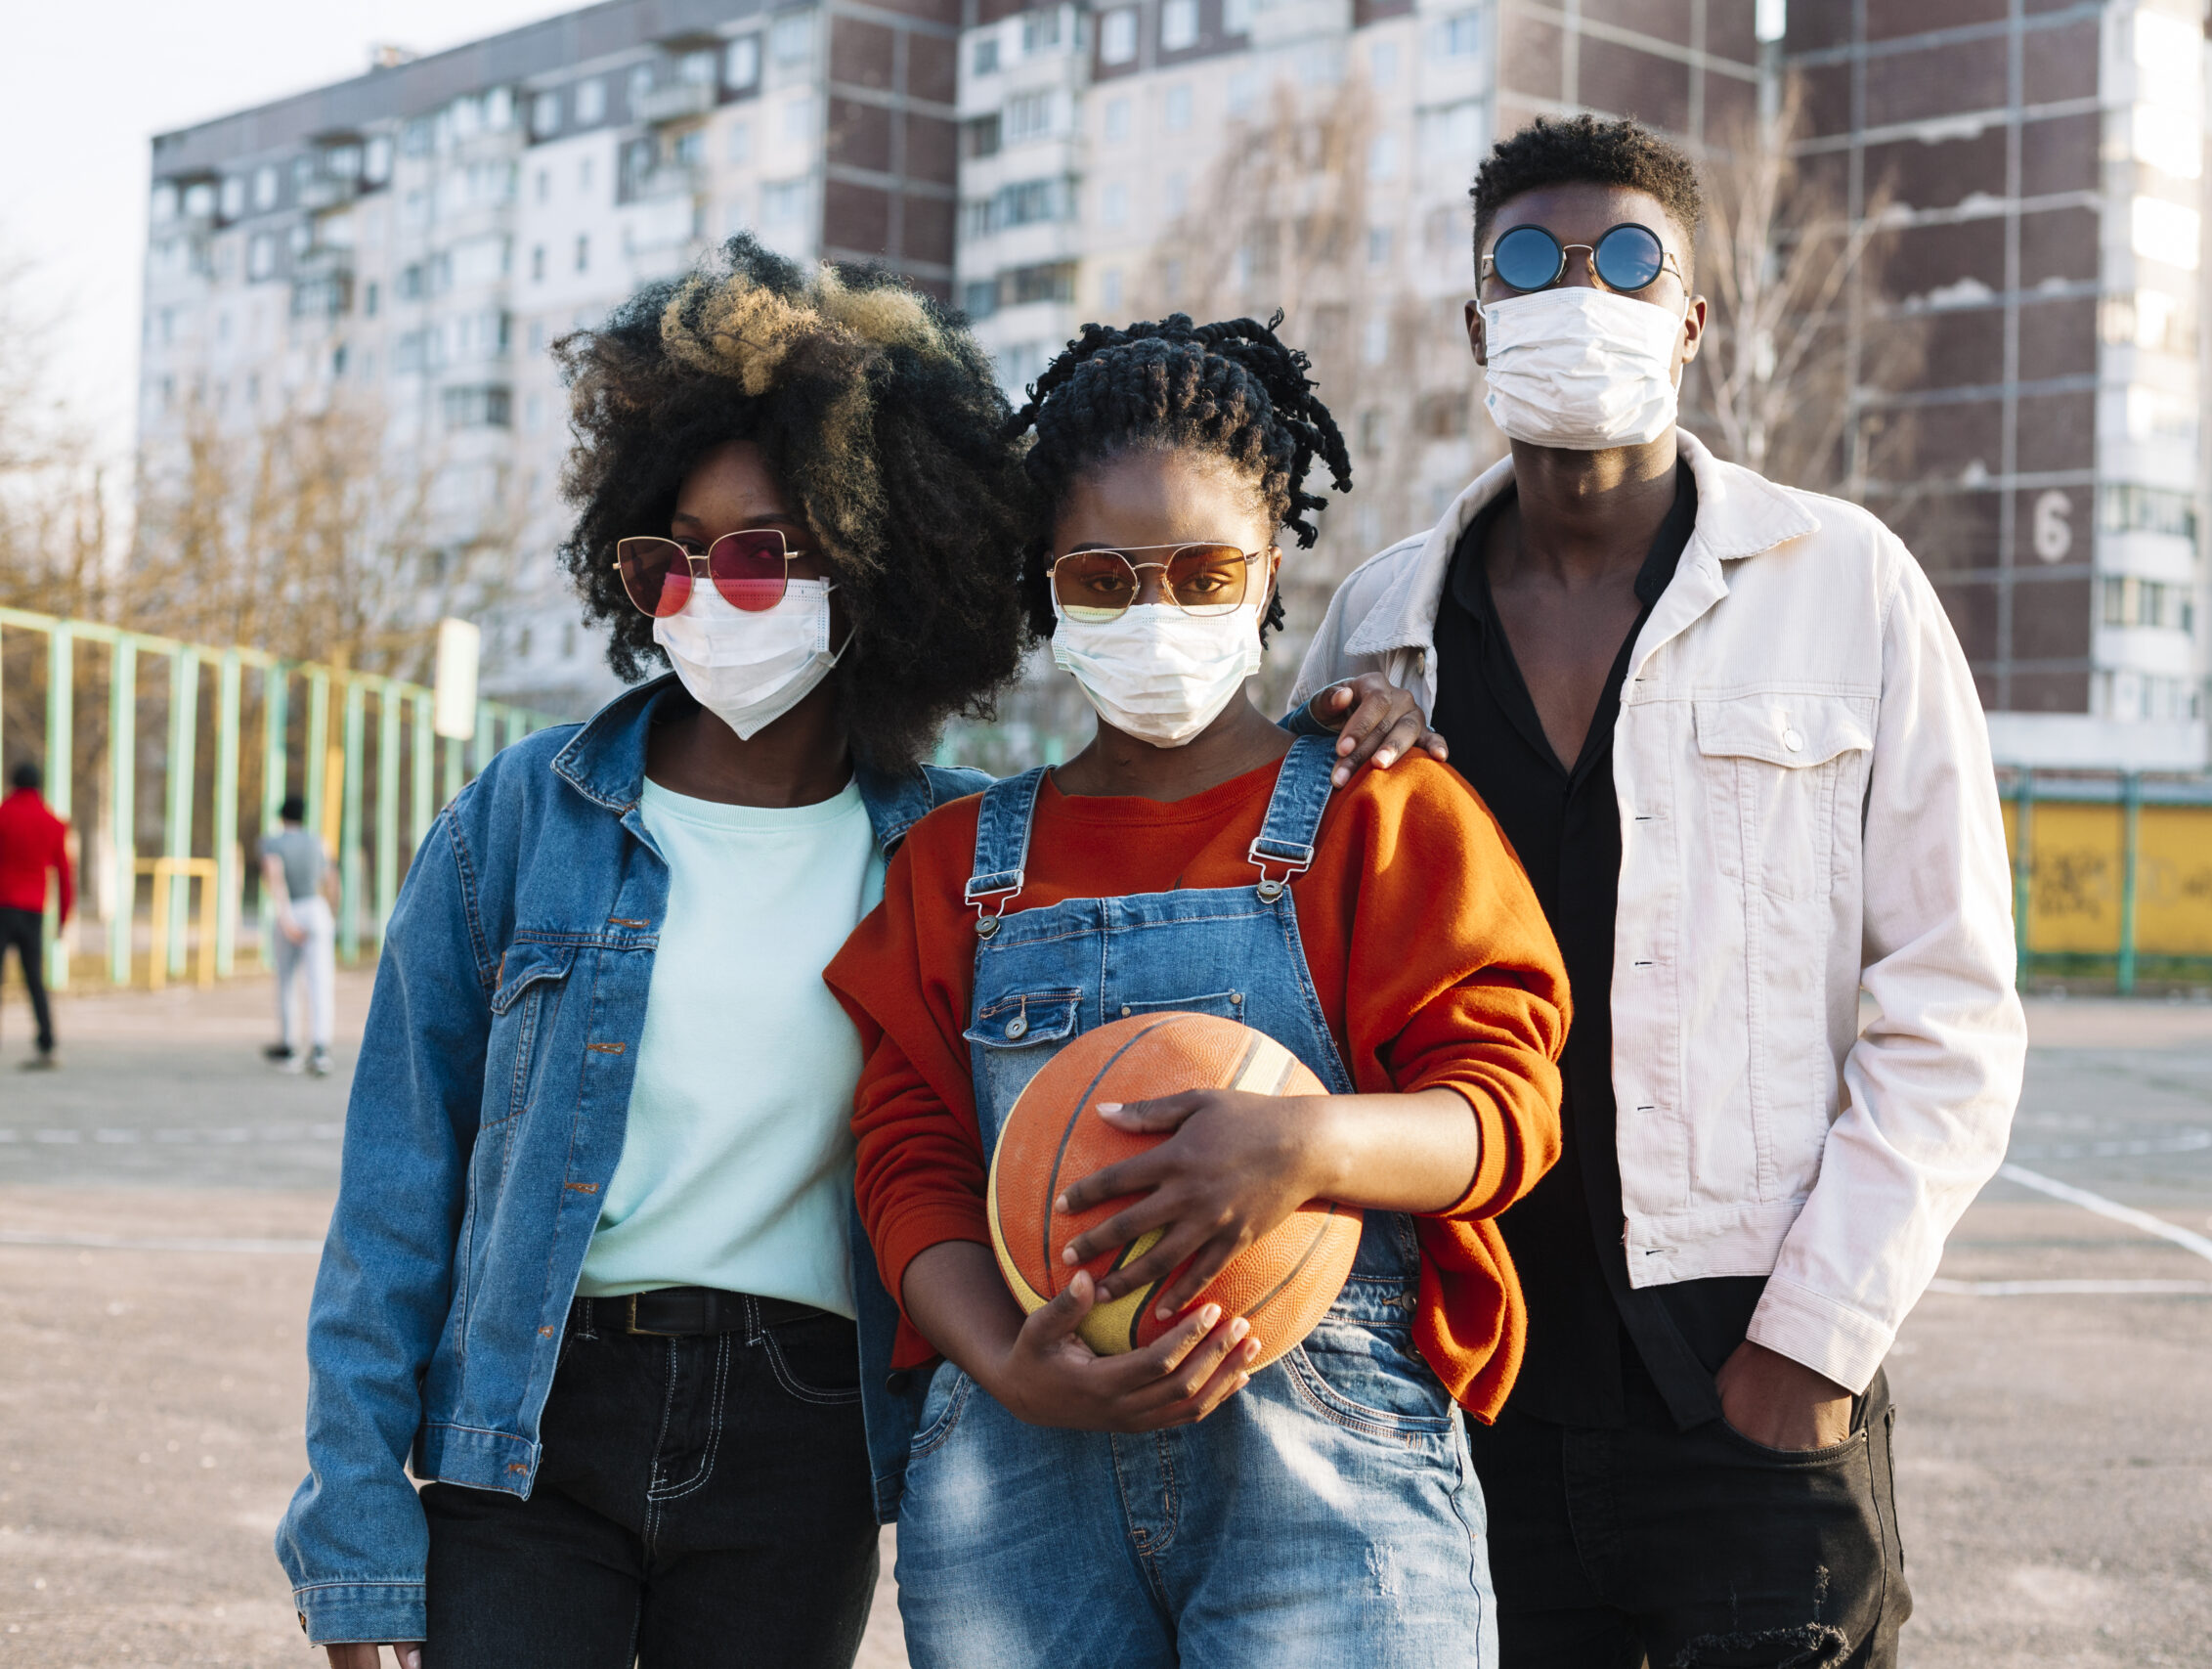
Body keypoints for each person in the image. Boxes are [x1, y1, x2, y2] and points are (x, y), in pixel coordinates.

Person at [276, 242, 1432, 1669]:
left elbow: (1164, 931)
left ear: (873, 555)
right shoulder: (524, 818)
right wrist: (355, 1538)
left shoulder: (957, 855)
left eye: (762, 552)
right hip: (532, 1418)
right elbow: (393, 1197)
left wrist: (1348, 728)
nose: (711, 593)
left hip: (805, 1436)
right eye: (672, 557)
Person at [1293, 116, 2027, 1668]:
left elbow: (1951, 1009)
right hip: (1457, 1375)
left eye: (1627, 259)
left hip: (1742, 1379)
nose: (1581, 291)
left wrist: (1811, 1346)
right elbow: (1287, 958)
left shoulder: (1849, 585)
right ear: (1477, 324)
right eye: (1530, 261)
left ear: (1690, 319)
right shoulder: (1380, 622)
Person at [829, 314, 1570, 1668]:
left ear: (1270, 571)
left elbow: (1505, 1108)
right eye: (1103, 578)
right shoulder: (953, 865)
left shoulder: (1382, 817)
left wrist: (1305, 1145)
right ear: (1046, 586)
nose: (1155, 612)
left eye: (1202, 571)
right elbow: (906, 1154)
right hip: (1017, 1469)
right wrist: (1000, 1355)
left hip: (1327, 1471)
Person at [0, 760, 72, 1070]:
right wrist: (63, 918)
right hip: (33, 909)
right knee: (34, 978)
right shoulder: (52, 823)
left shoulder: (2, 816)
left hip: (2, 905)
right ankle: (46, 1043)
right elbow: (65, 875)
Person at [261, 793, 339, 1076]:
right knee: (320, 981)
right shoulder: (319, 842)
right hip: (317, 909)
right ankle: (320, 1048)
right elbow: (332, 880)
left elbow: (275, 878)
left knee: (287, 981)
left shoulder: (272, 843)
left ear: (282, 816)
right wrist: (330, 913)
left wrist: (286, 919)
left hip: (291, 909)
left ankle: (289, 1045)